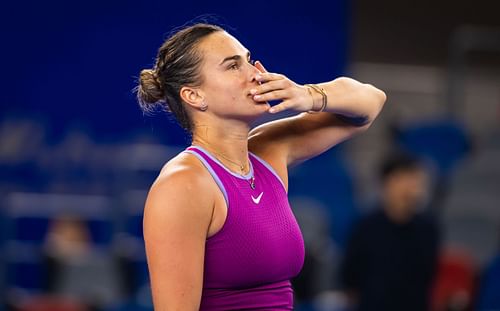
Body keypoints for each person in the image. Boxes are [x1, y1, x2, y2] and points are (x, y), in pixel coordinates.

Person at [137, 23, 386, 310]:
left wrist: (308, 95)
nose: (256, 74)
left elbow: (370, 102)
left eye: (248, 60)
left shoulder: (269, 151)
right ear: (194, 96)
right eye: (233, 66)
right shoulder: (183, 185)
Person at [340, 152, 440, 311]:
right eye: (403, 178)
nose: (411, 187)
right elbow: (350, 277)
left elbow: (429, 276)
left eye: (415, 180)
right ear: (386, 184)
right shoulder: (365, 227)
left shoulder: (428, 228)